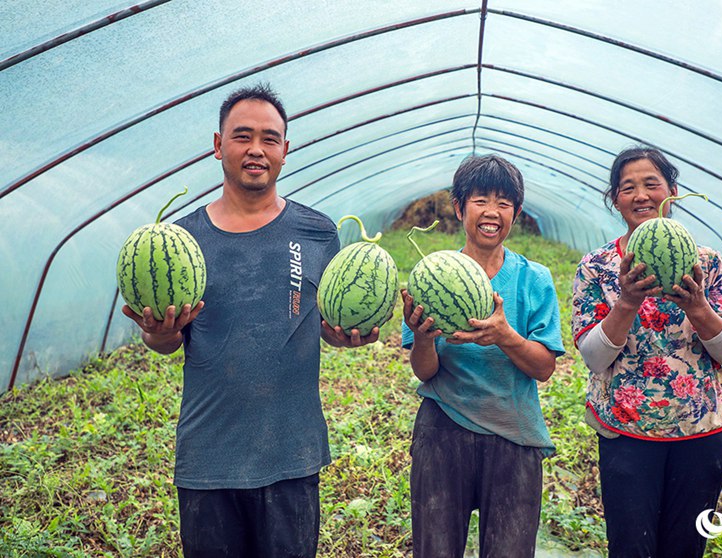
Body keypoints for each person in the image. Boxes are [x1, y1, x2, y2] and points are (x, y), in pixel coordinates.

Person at [121, 82, 378, 558]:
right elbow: (168, 342)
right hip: (208, 457)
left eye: (270, 138)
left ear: (285, 150)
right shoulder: (181, 241)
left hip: (291, 455)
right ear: (218, 146)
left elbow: (325, 321)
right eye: (242, 136)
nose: (256, 149)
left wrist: (348, 336)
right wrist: (158, 333)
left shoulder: (318, 232)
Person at [572, 145, 722, 557]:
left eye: (652, 184)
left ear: (672, 191)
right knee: (631, 548)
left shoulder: (708, 263)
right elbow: (594, 358)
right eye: (628, 187)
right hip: (627, 436)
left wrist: (697, 306)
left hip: (702, 434)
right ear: (615, 198)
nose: (641, 195)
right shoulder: (596, 267)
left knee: (685, 549)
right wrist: (627, 302)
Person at [401, 154, 565, 557]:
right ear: (459, 207)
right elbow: (425, 372)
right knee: (435, 549)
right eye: (480, 200)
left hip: (514, 433)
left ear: (516, 213)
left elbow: (544, 368)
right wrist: (423, 339)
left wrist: (506, 337)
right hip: (442, 430)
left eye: (504, 203)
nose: (492, 212)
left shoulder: (534, 278)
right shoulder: (432, 277)